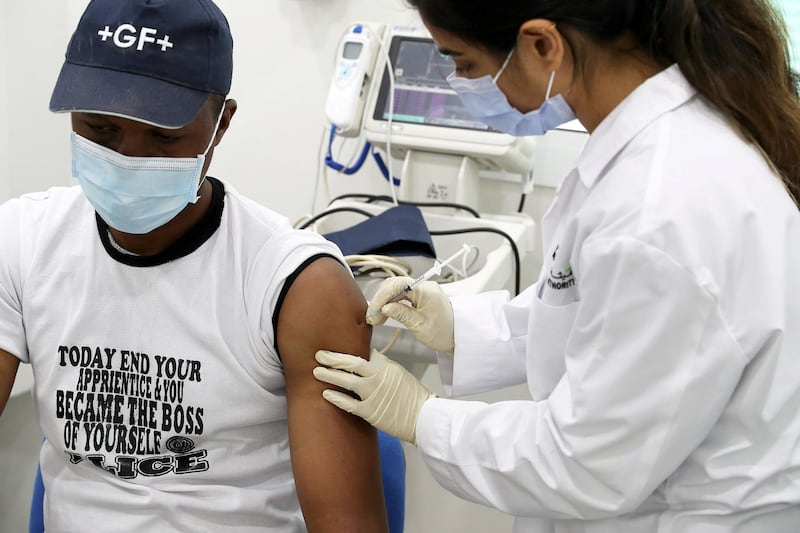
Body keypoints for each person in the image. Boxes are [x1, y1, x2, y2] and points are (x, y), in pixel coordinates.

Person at [313, 0, 800, 530]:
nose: (459, 82)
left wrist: (421, 415)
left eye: (465, 63)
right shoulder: (652, 150)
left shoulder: (659, 210)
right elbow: (594, 318)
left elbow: (589, 463)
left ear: (542, 46)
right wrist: (459, 329)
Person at [0, 0, 389, 531]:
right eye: (100, 129)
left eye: (163, 136)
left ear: (220, 124)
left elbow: (346, 525)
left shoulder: (297, 284)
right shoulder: (21, 242)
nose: (129, 157)